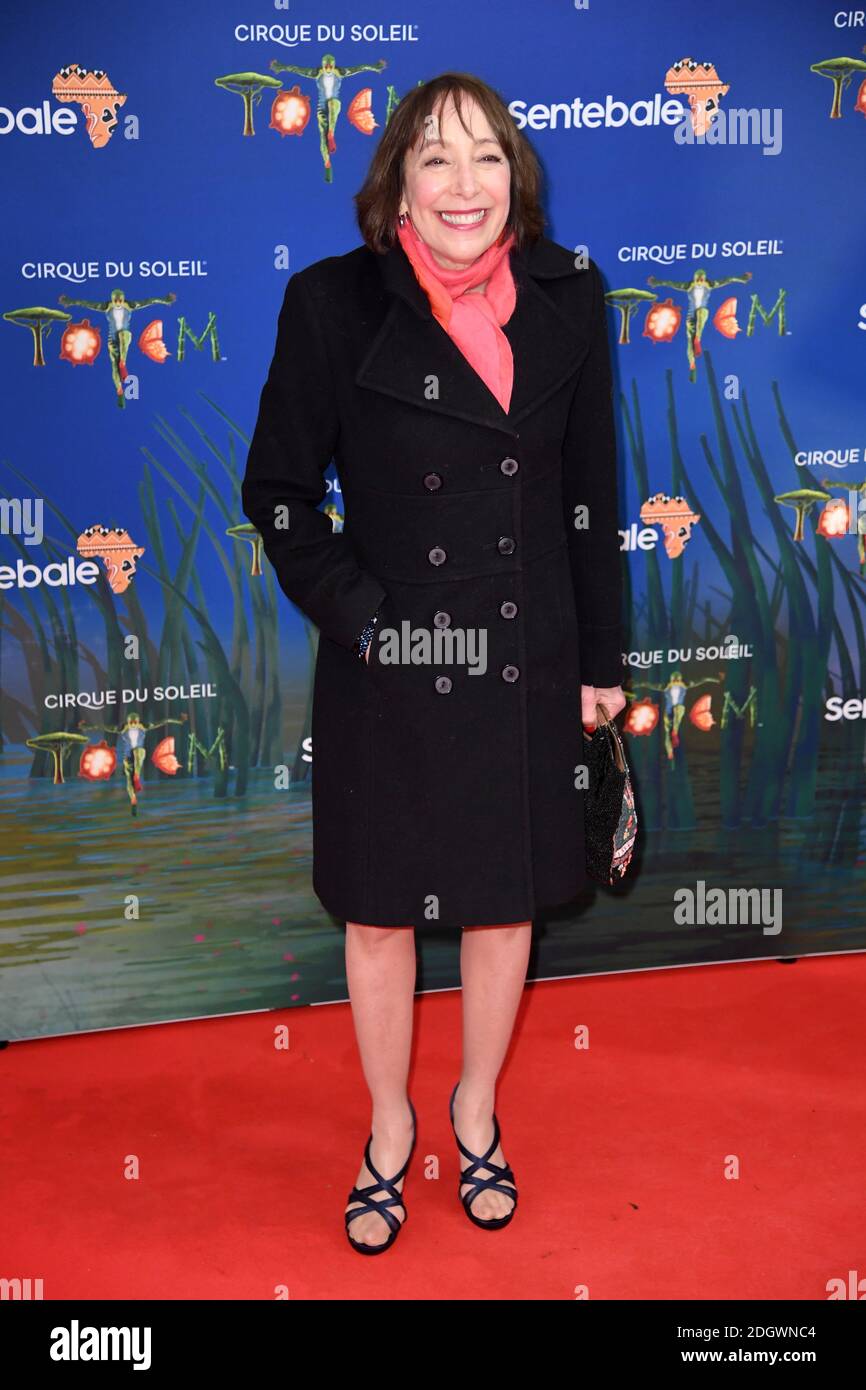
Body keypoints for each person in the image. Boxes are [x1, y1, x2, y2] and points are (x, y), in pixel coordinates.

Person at [241, 71, 627, 1254]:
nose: (464, 185)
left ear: (515, 175)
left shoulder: (568, 294)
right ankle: (387, 1126)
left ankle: (474, 1110)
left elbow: (585, 497)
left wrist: (598, 659)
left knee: (505, 903)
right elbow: (280, 492)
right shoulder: (331, 305)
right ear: (395, 183)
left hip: (524, 652)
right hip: (393, 661)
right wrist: (364, 618)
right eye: (435, 159)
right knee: (378, 917)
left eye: (485, 158)